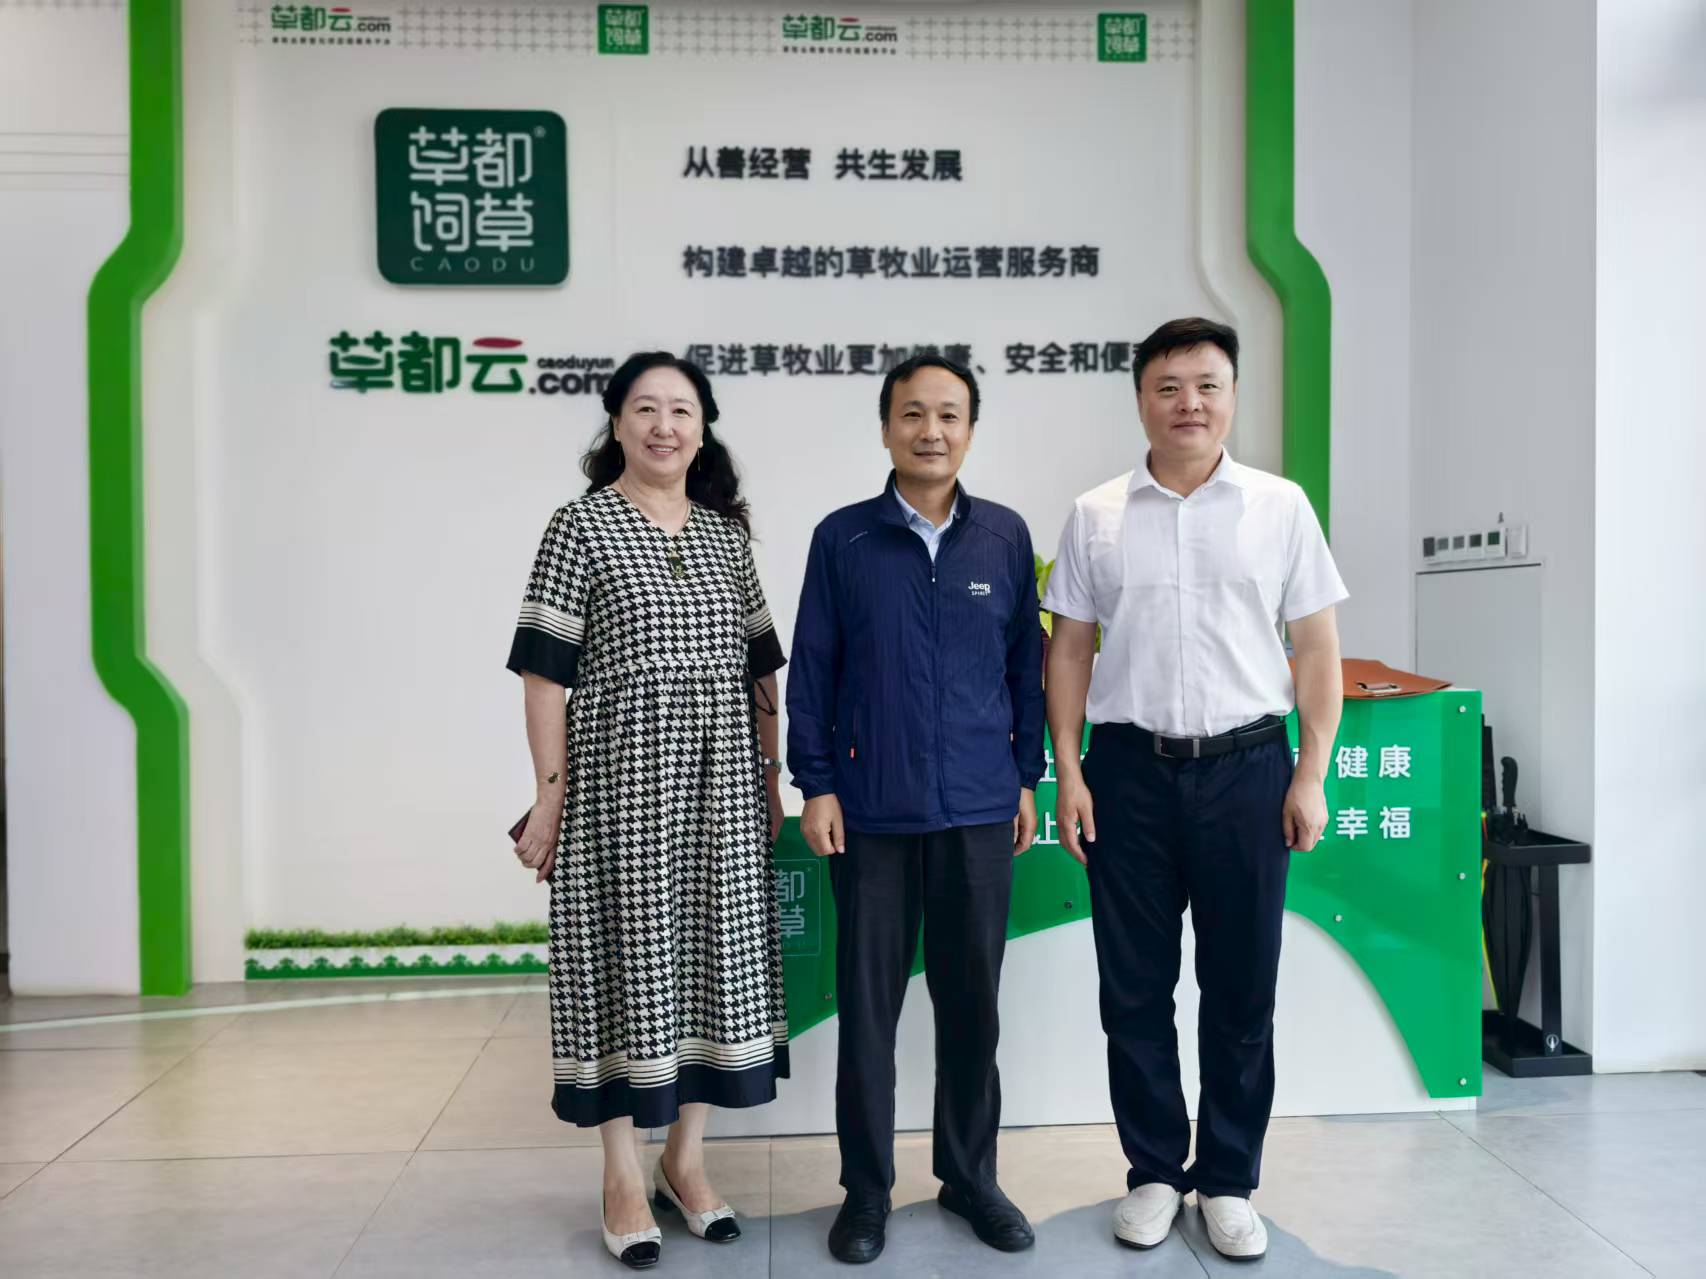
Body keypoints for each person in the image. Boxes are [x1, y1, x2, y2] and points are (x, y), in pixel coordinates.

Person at [1043, 318, 1346, 1261]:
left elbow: (1317, 649)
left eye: (1208, 385)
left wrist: (1310, 772)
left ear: (1233, 395)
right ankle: (1152, 1171)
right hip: (1127, 773)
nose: (1189, 404)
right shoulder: (1096, 513)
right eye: (1169, 386)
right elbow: (1070, 650)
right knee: (1133, 987)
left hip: (1249, 770)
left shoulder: (1280, 507)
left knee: (1241, 987)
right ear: (1141, 398)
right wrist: (1069, 769)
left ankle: (1227, 1178)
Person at [507, 351, 790, 1270]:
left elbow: (761, 671)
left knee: (715, 957)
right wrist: (548, 799)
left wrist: (769, 774)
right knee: (624, 960)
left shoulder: (725, 537)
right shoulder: (579, 525)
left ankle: (686, 1161)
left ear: (702, 429)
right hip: (618, 784)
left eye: (681, 410)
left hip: (722, 783)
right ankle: (622, 1173)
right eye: (645, 409)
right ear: (617, 423)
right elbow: (544, 675)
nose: (664, 425)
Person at [787, 353, 1045, 1265]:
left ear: (970, 428)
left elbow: (1026, 669)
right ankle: (866, 1191)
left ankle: (970, 1177)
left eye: (949, 414)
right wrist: (816, 782)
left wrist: (1025, 777)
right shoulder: (844, 539)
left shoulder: (1004, 537)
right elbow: (812, 669)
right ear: (886, 426)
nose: (931, 430)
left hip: (978, 809)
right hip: (872, 814)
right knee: (869, 1014)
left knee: (973, 1007)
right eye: (912, 413)